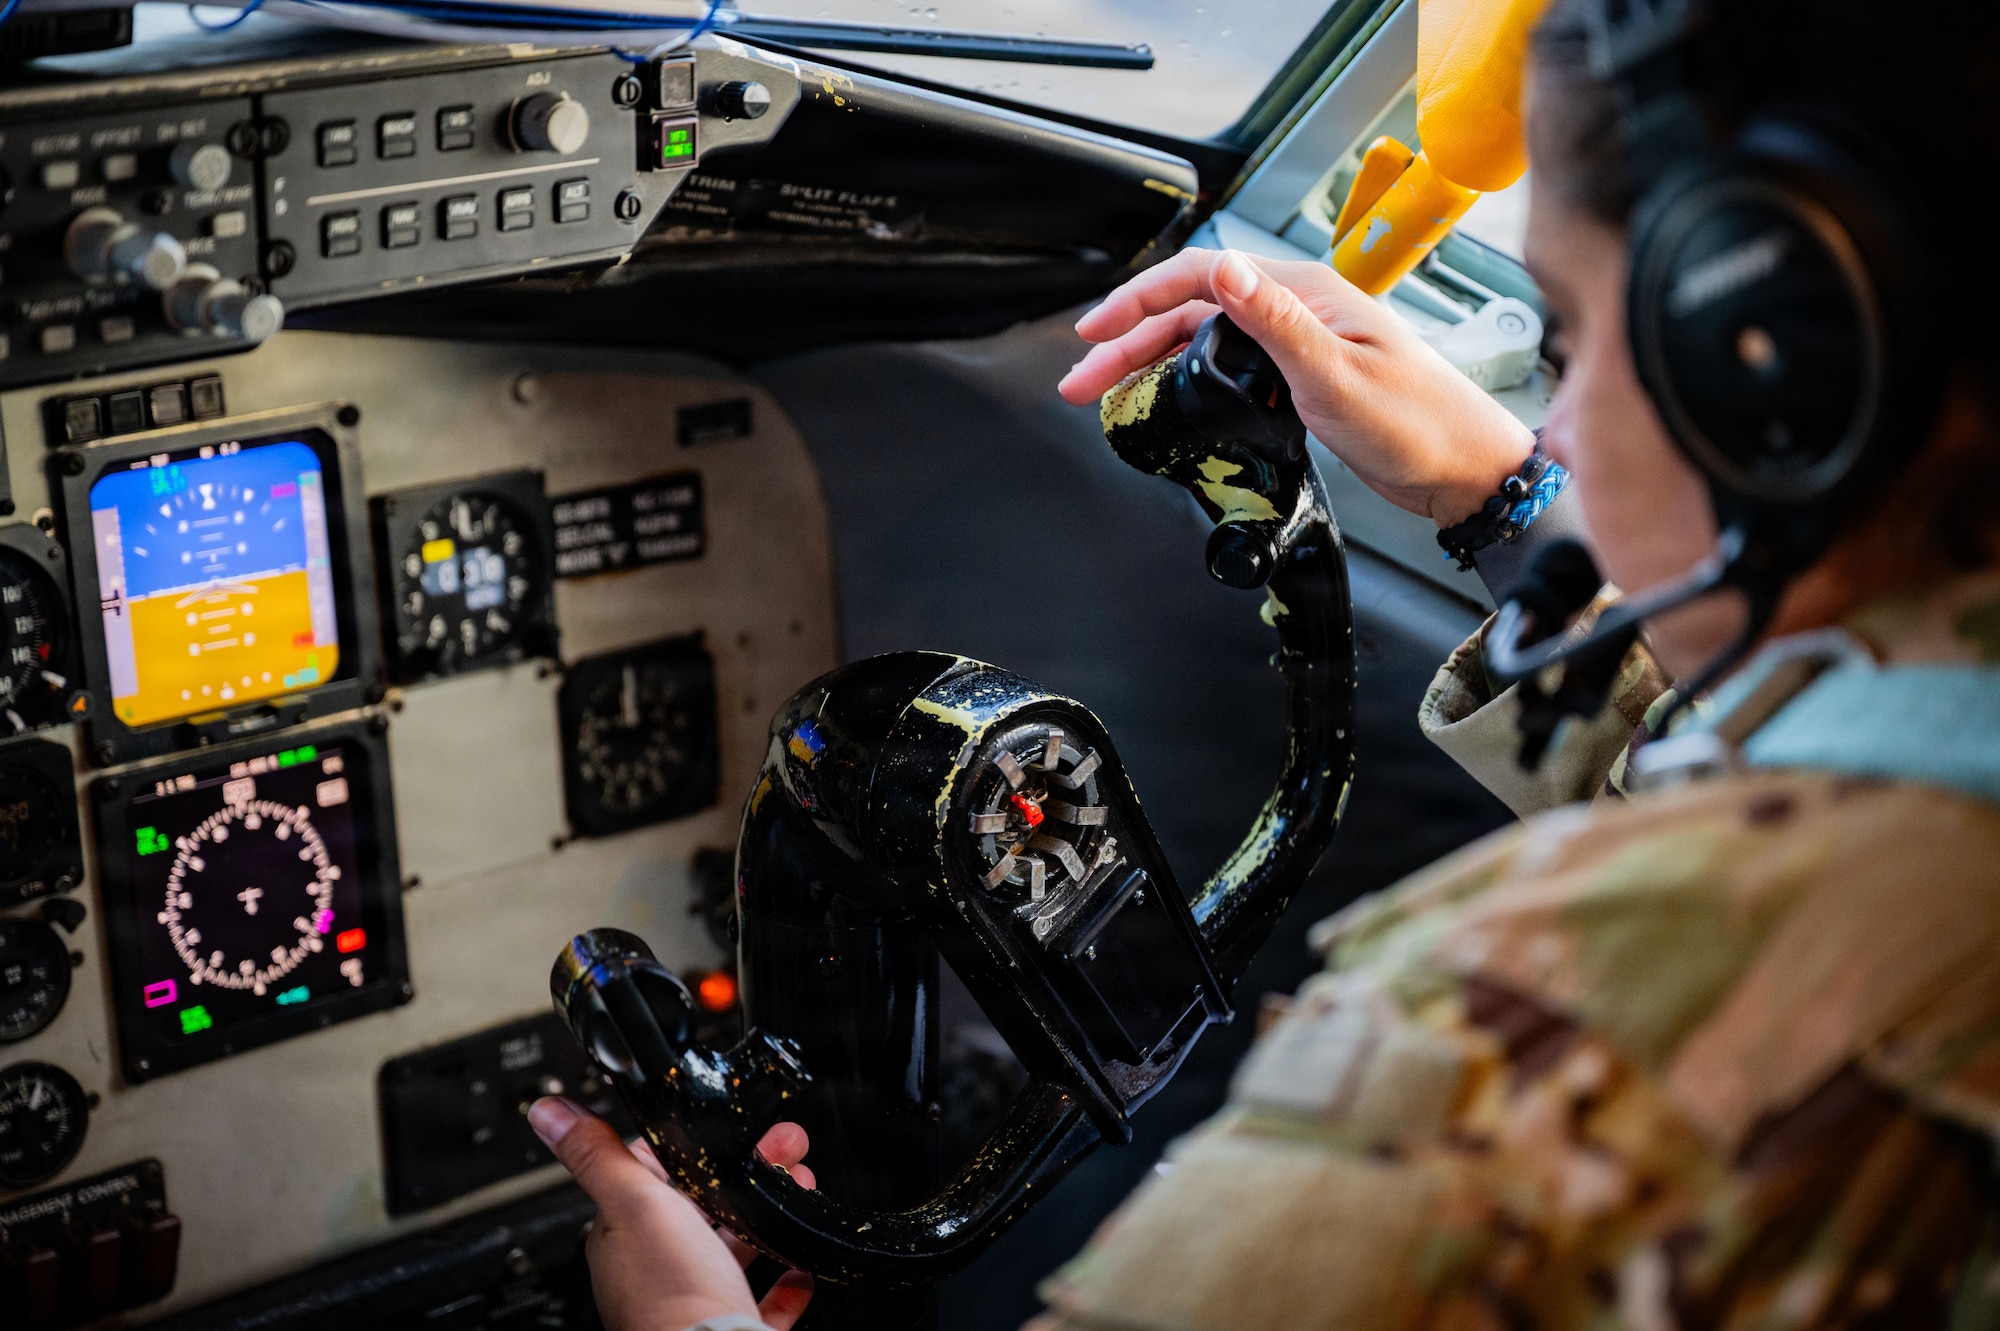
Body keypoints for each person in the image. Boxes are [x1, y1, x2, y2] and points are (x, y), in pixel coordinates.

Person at [530, 0, 2000, 1324]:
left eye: (1563, 339)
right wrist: (1501, 508)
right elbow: (1755, 756)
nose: (1550, 426)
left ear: (1778, 369)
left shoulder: (1561, 1028)